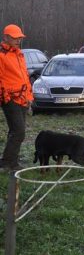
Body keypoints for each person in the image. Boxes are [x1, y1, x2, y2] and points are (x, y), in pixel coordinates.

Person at [0, 24, 34, 171]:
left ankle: (11, 160)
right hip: (11, 99)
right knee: (19, 132)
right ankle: (8, 163)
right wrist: (6, 97)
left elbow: (25, 77)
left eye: (19, 37)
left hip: (23, 99)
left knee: (15, 131)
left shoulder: (19, 54)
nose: (18, 40)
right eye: (14, 38)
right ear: (5, 37)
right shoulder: (2, 55)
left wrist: (29, 96)